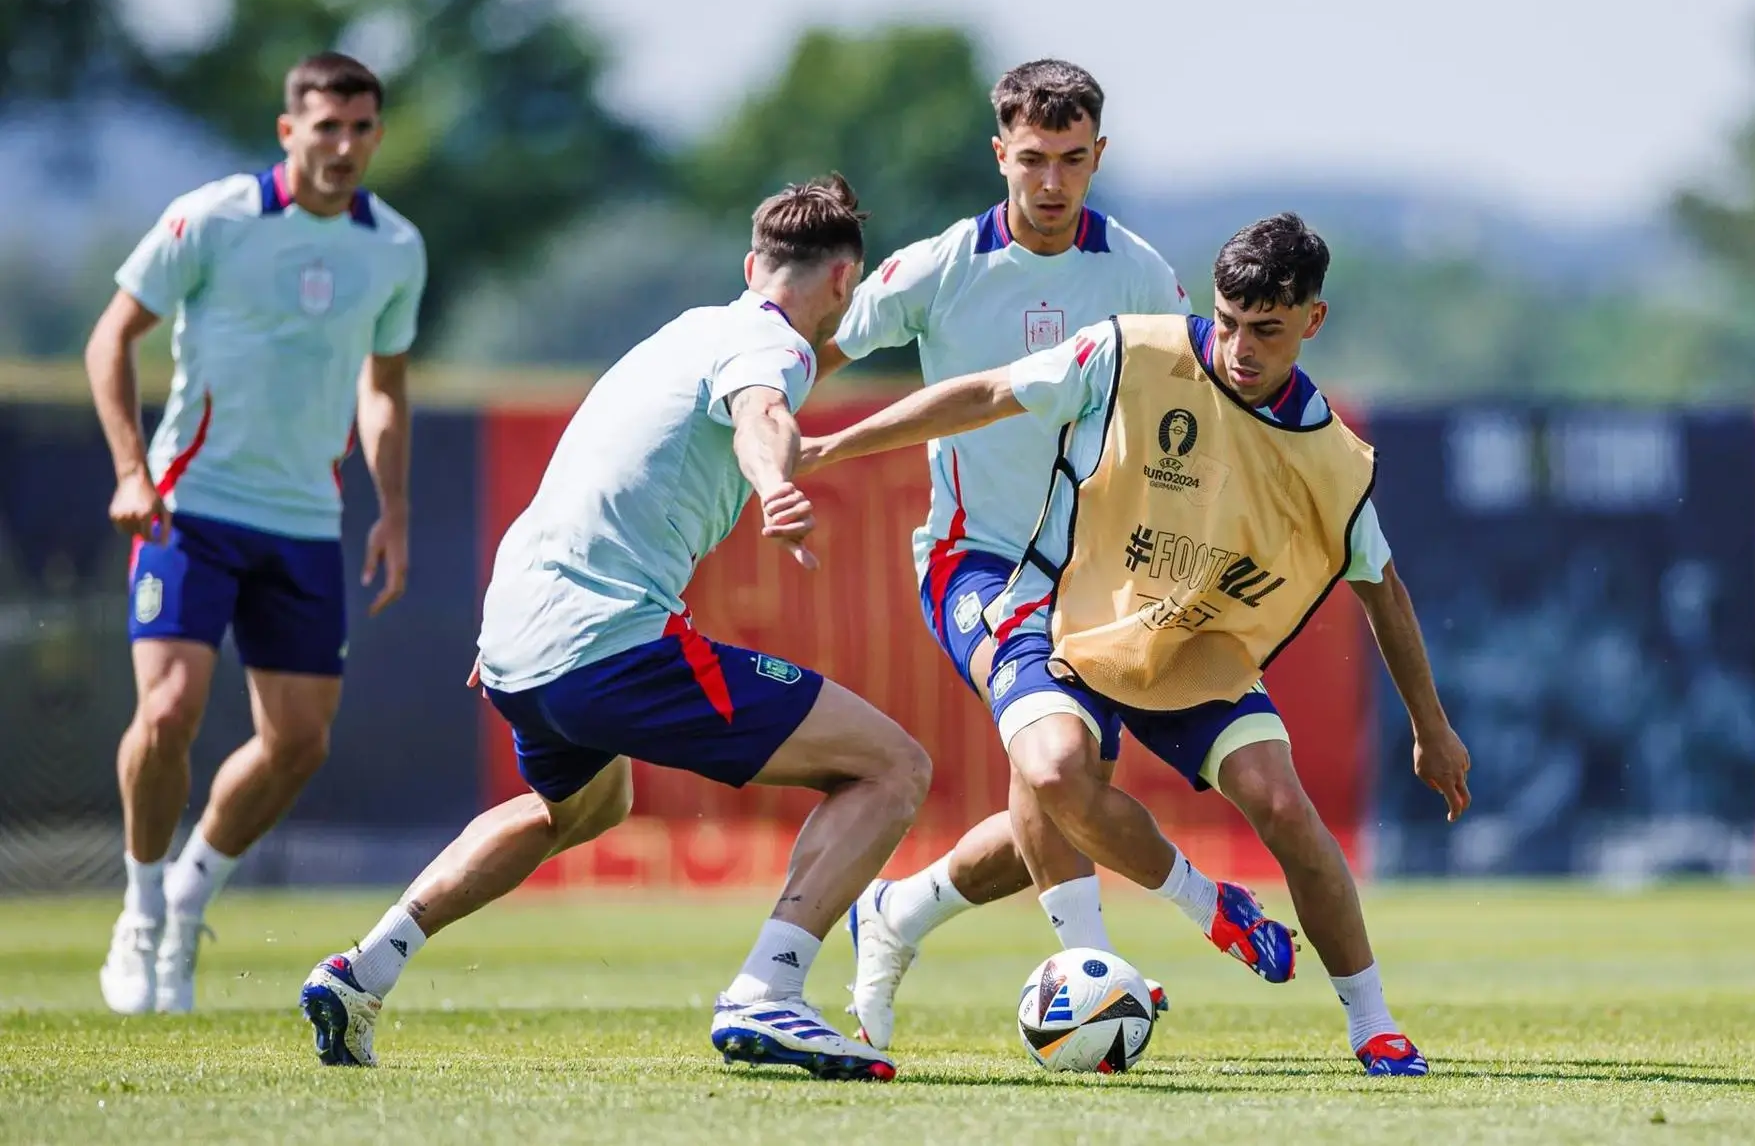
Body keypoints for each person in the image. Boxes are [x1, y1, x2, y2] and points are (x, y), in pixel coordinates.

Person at [805, 214, 1474, 1077]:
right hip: (1068, 615)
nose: (1238, 346)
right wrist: (834, 446)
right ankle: (1208, 907)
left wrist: (1431, 726)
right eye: (1228, 321)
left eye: (1266, 330)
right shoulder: (1129, 352)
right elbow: (986, 393)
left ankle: (1373, 1022)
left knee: (1277, 802)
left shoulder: (1331, 457)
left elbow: (1383, 590)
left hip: (1192, 644)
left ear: (1314, 319)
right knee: (1053, 776)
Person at [299, 176, 930, 1082]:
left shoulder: (692, 330)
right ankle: (770, 992)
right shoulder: (772, 349)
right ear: (842, 283)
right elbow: (764, 414)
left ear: (752, 265)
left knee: (586, 807)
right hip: (605, 641)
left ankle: (363, 971)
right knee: (894, 766)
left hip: (518, 631)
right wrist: (773, 484)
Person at [821, 59, 1196, 1048]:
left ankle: (896, 912)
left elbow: (1178, 418)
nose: (1052, 182)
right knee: (1061, 765)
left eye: (1074, 159)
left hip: (1098, 577)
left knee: (1064, 793)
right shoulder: (942, 265)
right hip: (972, 561)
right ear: (1001, 153)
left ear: (1098, 156)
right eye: (1032, 158)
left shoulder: (1141, 272)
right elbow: (816, 344)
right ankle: (1096, 965)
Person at [86, 52, 423, 1015]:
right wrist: (128, 471)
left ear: (376, 135)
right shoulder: (213, 218)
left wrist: (393, 508)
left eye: (361, 129)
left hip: (306, 523)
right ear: (290, 131)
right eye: (327, 127)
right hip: (190, 509)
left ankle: (190, 894)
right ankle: (142, 911)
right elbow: (111, 337)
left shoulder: (395, 247)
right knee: (169, 712)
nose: (345, 146)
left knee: (301, 742)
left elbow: (385, 389)